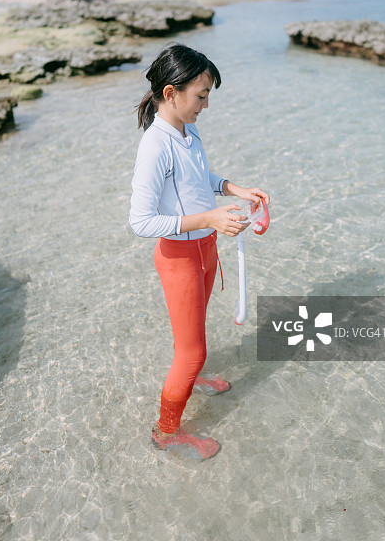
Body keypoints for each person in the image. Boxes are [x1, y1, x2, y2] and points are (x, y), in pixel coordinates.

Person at [129, 43, 269, 460]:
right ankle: (166, 433)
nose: (205, 105)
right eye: (201, 95)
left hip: (204, 251)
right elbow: (140, 222)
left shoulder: (186, 133)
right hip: (179, 258)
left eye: (208, 95)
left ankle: (192, 376)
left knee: (194, 335)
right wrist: (208, 220)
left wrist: (233, 189)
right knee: (193, 352)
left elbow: (197, 178)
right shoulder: (155, 146)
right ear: (171, 93)